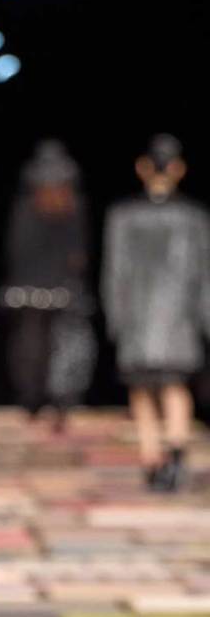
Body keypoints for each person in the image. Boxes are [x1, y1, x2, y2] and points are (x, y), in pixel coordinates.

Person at [100, 133, 210, 491]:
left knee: (144, 389)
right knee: (173, 385)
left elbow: (114, 272)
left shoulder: (124, 216)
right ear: (178, 168)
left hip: (140, 317)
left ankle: (153, 459)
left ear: (143, 167)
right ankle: (173, 454)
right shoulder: (194, 217)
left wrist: (115, 318)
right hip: (178, 318)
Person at [0, 138, 97, 431]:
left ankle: (33, 398)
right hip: (59, 281)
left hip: (31, 283)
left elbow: (16, 248)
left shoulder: (30, 206)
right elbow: (78, 251)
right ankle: (60, 398)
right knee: (62, 342)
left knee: (32, 343)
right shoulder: (71, 205)